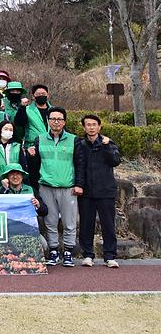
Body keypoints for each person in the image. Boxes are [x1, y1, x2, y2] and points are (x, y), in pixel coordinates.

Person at [26, 107, 81, 267]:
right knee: (50, 221)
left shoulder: (74, 140)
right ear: (48, 121)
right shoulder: (40, 139)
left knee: (69, 221)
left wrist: (79, 184)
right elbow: (35, 166)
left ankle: (69, 251)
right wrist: (30, 155)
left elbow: (80, 164)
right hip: (46, 186)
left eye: (59, 119)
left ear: (64, 121)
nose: (56, 122)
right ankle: (54, 250)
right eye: (53, 119)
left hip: (68, 187)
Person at [75, 114, 122, 268]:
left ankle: (110, 256)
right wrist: (79, 185)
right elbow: (79, 167)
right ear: (84, 127)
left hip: (106, 191)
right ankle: (88, 255)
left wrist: (107, 146)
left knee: (108, 224)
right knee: (86, 225)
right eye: (88, 124)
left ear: (99, 127)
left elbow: (115, 161)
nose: (91, 127)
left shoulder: (107, 142)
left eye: (94, 124)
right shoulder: (80, 145)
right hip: (86, 192)